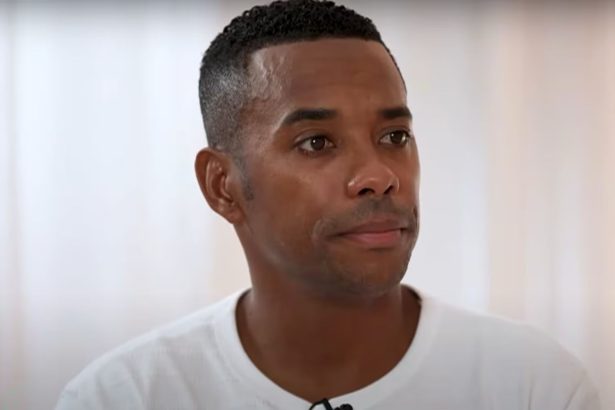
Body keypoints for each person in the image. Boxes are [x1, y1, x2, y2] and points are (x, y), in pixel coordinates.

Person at [55, 1, 601, 409]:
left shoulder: (535, 388)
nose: (379, 176)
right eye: (317, 142)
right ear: (223, 185)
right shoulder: (121, 397)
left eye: (394, 136)